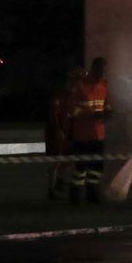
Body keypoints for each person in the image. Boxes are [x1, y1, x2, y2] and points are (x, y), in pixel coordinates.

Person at [70, 57, 112, 204]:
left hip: (98, 134)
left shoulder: (103, 87)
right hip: (82, 135)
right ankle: (76, 195)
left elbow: (106, 105)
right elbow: (72, 110)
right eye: (100, 70)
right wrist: (92, 114)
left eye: (104, 71)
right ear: (94, 69)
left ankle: (92, 194)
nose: (102, 73)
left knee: (96, 166)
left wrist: (108, 112)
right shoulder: (80, 86)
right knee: (81, 167)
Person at [46, 67, 82, 199]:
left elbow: (73, 115)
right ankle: (51, 189)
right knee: (57, 161)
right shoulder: (60, 95)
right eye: (78, 81)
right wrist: (58, 130)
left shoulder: (73, 96)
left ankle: (59, 181)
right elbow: (53, 114)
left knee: (70, 158)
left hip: (67, 132)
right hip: (58, 133)